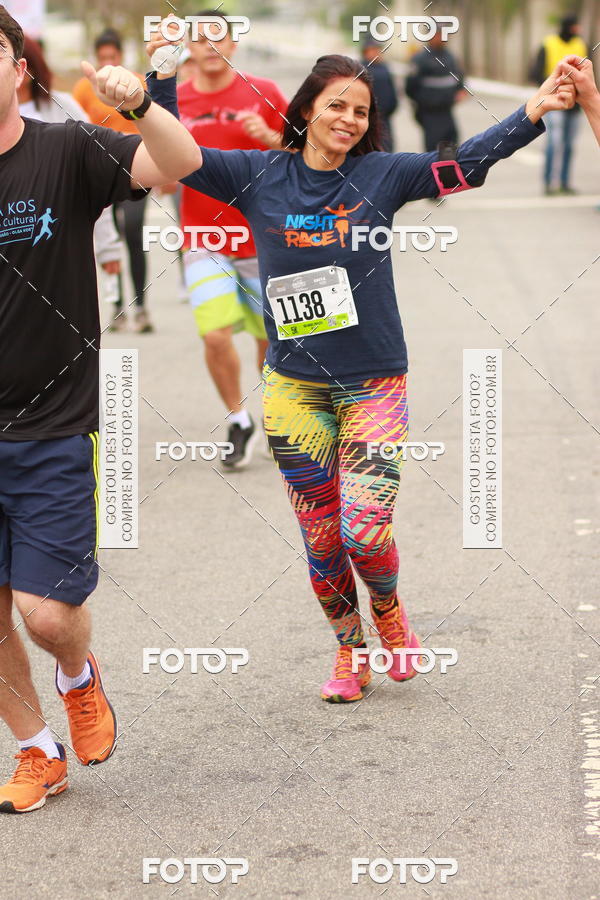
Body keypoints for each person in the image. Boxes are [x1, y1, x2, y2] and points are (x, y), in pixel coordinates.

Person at [148, 22, 575, 702]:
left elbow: (464, 165)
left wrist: (531, 112)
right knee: (321, 543)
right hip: (293, 390)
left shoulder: (384, 173)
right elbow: (175, 155)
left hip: (374, 380)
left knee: (364, 530)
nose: (349, 119)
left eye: (362, 110)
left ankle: (389, 612)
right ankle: (350, 654)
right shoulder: (259, 175)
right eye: (337, 105)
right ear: (308, 109)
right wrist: (160, 80)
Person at [0, 5, 200, 812]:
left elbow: (178, 161)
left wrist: (145, 101)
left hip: (49, 425)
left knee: (46, 613)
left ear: (19, 69)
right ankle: (34, 748)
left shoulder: (64, 149)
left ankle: (78, 675)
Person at [170, 10, 288, 470]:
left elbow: (306, 152)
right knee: (216, 335)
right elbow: (157, 159)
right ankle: (239, 419)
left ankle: (277, 413)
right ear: (190, 47)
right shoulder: (174, 99)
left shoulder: (266, 93)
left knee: (271, 338)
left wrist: (272, 138)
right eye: (201, 38)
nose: (211, 46)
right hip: (203, 239)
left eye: (220, 38)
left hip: (264, 238)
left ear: (234, 44)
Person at [17, 34, 123, 286]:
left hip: (59, 243)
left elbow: (95, 172)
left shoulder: (63, 107)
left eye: (22, 63)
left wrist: (108, 246)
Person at [73, 28, 153, 333]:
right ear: (97, 57)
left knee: (133, 233)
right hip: (99, 173)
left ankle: (142, 307)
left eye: (112, 56)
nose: (107, 61)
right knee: (110, 239)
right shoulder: (84, 89)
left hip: (135, 170)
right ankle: (118, 306)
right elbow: (77, 129)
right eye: (102, 56)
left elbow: (151, 123)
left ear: (120, 56)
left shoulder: (136, 82)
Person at [531, 13, 587, 195]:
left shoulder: (580, 44)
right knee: (554, 143)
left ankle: (564, 182)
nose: (577, 30)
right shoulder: (548, 43)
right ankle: (548, 183)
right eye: (574, 26)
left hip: (575, 103)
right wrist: (554, 88)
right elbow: (535, 73)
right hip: (554, 103)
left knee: (569, 145)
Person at [405, 26, 467, 152]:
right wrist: (423, 101)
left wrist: (461, 91)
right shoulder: (420, 59)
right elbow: (410, 86)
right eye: (438, 35)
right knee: (433, 152)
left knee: (451, 148)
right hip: (429, 113)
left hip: (447, 111)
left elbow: (459, 77)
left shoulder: (451, 57)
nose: (441, 38)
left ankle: (448, 171)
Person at [360, 37, 398, 152]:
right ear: (365, 51)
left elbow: (392, 90)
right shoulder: (359, 69)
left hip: (384, 118)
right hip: (368, 119)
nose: (377, 53)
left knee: (387, 148)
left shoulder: (385, 67)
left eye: (378, 50)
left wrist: (392, 106)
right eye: (373, 50)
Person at [559, 55, 600, 145]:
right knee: (555, 142)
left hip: (575, 106)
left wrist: (589, 97)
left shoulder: (582, 45)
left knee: (569, 143)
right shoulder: (548, 45)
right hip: (556, 101)